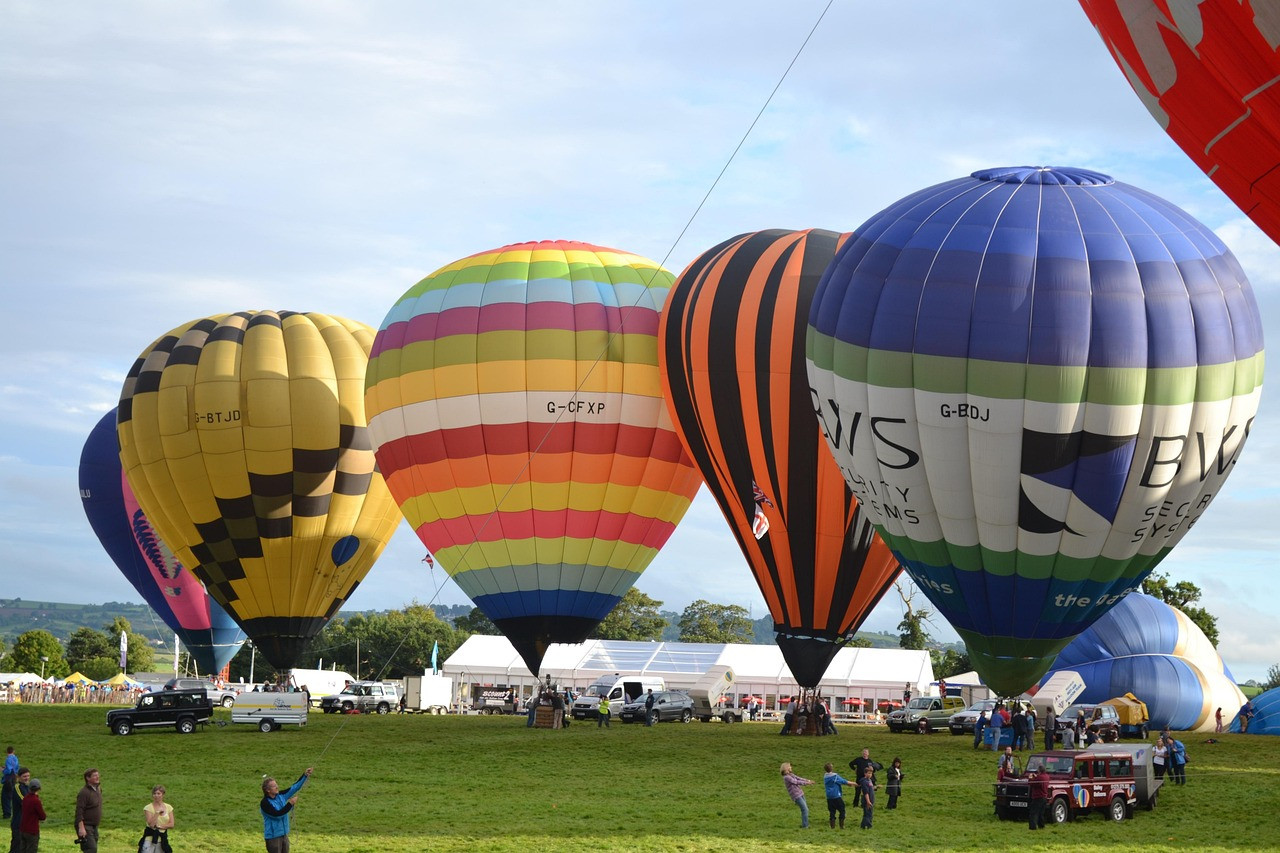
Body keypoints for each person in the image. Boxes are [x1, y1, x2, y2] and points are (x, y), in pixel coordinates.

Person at [261, 767, 313, 852]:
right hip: (273, 838)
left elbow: (294, 787)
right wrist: (290, 804)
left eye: (276, 784)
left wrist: (305, 775)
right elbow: (277, 815)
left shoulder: (281, 795)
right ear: (268, 790)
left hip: (284, 835)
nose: (277, 787)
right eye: (274, 786)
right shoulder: (265, 803)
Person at [74, 769, 102, 853]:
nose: (97, 777)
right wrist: (81, 828)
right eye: (94, 775)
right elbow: (79, 811)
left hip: (94, 826)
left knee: (93, 848)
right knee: (91, 849)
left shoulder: (98, 789)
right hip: (86, 825)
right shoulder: (84, 793)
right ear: (88, 778)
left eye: (98, 775)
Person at [140, 784, 174, 853]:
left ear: (163, 794)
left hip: (162, 840)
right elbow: (151, 825)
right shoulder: (148, 808)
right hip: (150, 839)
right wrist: (157, 813)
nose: (156, 795)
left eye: (158, 793)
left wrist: (160, 827)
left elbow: (171, 824)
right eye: (154, 793)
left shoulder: (168, 807)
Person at [779, 763, 812, 829]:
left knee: (806, 809)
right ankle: (805, 826)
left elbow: (798, 778)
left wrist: (807, 780)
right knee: (804, 809)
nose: (791, 767)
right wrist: (807, 783)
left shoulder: (790, 774)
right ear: (786, 768)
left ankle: (805, 824)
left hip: (800, 793)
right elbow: (796, 782)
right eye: (789, 766)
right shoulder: (786, 777)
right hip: (796, 796)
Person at [821, 763, 850, 829]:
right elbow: (844, 781)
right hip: (836, 796)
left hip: (829, 797)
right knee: (842, 810)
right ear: (831, 768)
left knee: (832, 811)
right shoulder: (835, 776)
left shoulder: (825, 777)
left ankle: (832, 826)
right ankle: (841, 825)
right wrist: (855, 784)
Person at [7, 767, 29, 853]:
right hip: (18, 822)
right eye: (24, 776)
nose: (27, 778)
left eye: (28, 776)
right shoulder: (17, 787)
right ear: (19, 777)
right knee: (16, 847)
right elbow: (24, 801)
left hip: (26, 823)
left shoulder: (27, 788)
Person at [17, 778, 41, 853]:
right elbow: (42, 816)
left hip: (23, 829)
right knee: (31, 849)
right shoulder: (36, 800)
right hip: (32, 831)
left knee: (23, 849)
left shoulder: (25, 799)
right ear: (39, 788)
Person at [857, 765, 875, 829]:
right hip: (867, 800)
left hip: (871, 799)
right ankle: (869, 826)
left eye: (871, 773)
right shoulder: (864, 781)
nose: (870, 775)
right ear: (865, 773)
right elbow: (866, 792)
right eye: (868, 773)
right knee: (868, 814)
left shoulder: (869, 780)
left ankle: (863, 826)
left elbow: (871, 788)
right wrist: (868, 801)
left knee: (868, 813)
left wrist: (876, 787)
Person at [1, 748, 16, 820]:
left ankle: (7, 814)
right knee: (10, 795)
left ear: (7, 752)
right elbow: (15, 768)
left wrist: (3, 770)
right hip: (14, 778)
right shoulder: (15, 758)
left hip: (8, 779)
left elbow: (8, 770)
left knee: (5, 796)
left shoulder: (8, 759)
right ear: (13, 751)